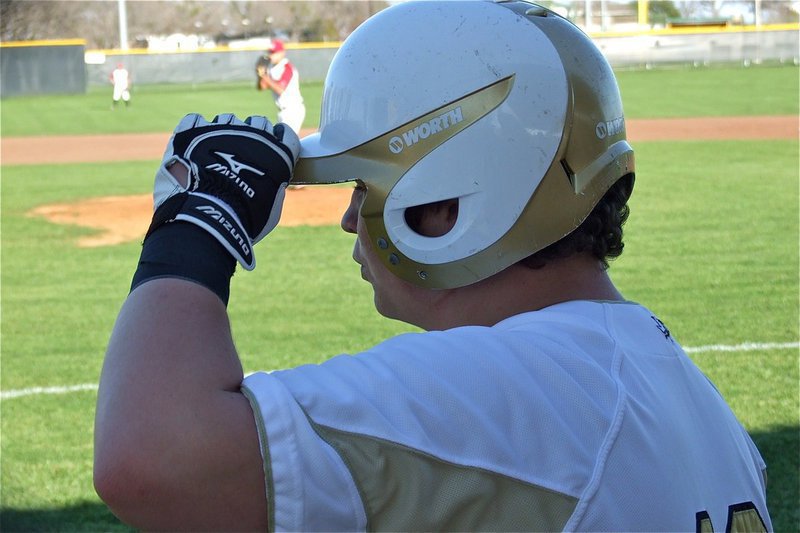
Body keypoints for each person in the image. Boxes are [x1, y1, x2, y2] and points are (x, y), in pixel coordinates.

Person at [93, 1, 772, 531]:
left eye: (365, 185)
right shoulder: (681, 392)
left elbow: (151, 456)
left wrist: (196, 224)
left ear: (448, 200)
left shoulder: (531, 387)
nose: (350, 219)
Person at [255, 38, 306, 134]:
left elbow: (280, 89)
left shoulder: (287, 67)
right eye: (270, 52)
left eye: (274, 52)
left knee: (286, 142)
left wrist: (264, 76)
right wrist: (260, 75)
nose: (271, 55)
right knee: (282, 142)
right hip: (283, 111)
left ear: (282, 53)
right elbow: (262, 87)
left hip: (293, 110)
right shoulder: (271, 68)